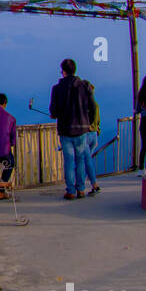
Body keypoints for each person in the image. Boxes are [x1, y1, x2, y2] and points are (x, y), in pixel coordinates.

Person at [50, 58, 95, 199]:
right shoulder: (84, 86)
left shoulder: (57, 88)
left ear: (63, 71)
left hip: (65, 129)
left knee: (69, 161)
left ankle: (70, 190)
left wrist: (55, 114)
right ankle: (81, 189)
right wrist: (89, 123)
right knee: (80, 159)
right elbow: (93, 107)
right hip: (82, 129)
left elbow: (54, 110)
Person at [77, 82, 102, 197]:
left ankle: (92, 185)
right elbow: (97, 122)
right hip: (94, 135)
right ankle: (83, 186)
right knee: (87, 161)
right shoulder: (96, 105)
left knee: (84, 162)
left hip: (85, 135)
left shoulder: (84, 106)